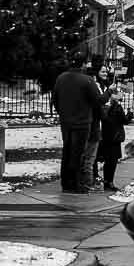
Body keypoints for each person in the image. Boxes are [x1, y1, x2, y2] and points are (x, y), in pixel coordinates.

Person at [52, 45, 104, 193]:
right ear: (82, 64)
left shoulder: (61, 78)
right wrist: (109, 92)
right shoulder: (87, 80)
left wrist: (63, 113)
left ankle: (65, 183)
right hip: (82, 123)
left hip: (66, 122)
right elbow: (98, 100)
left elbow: (55, 99)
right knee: (77, 153)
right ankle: (75, 184)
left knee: (67, 151)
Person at [97, 78, 133, 191]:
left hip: (105, 136)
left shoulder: (104, 107)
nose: (121, 94)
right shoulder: (117, 107)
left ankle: (106, 181)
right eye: (119, 93)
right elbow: (124, 121)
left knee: (107, 161)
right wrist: (130, 113)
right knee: (112, 162)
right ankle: (109, 182)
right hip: (115, 137)